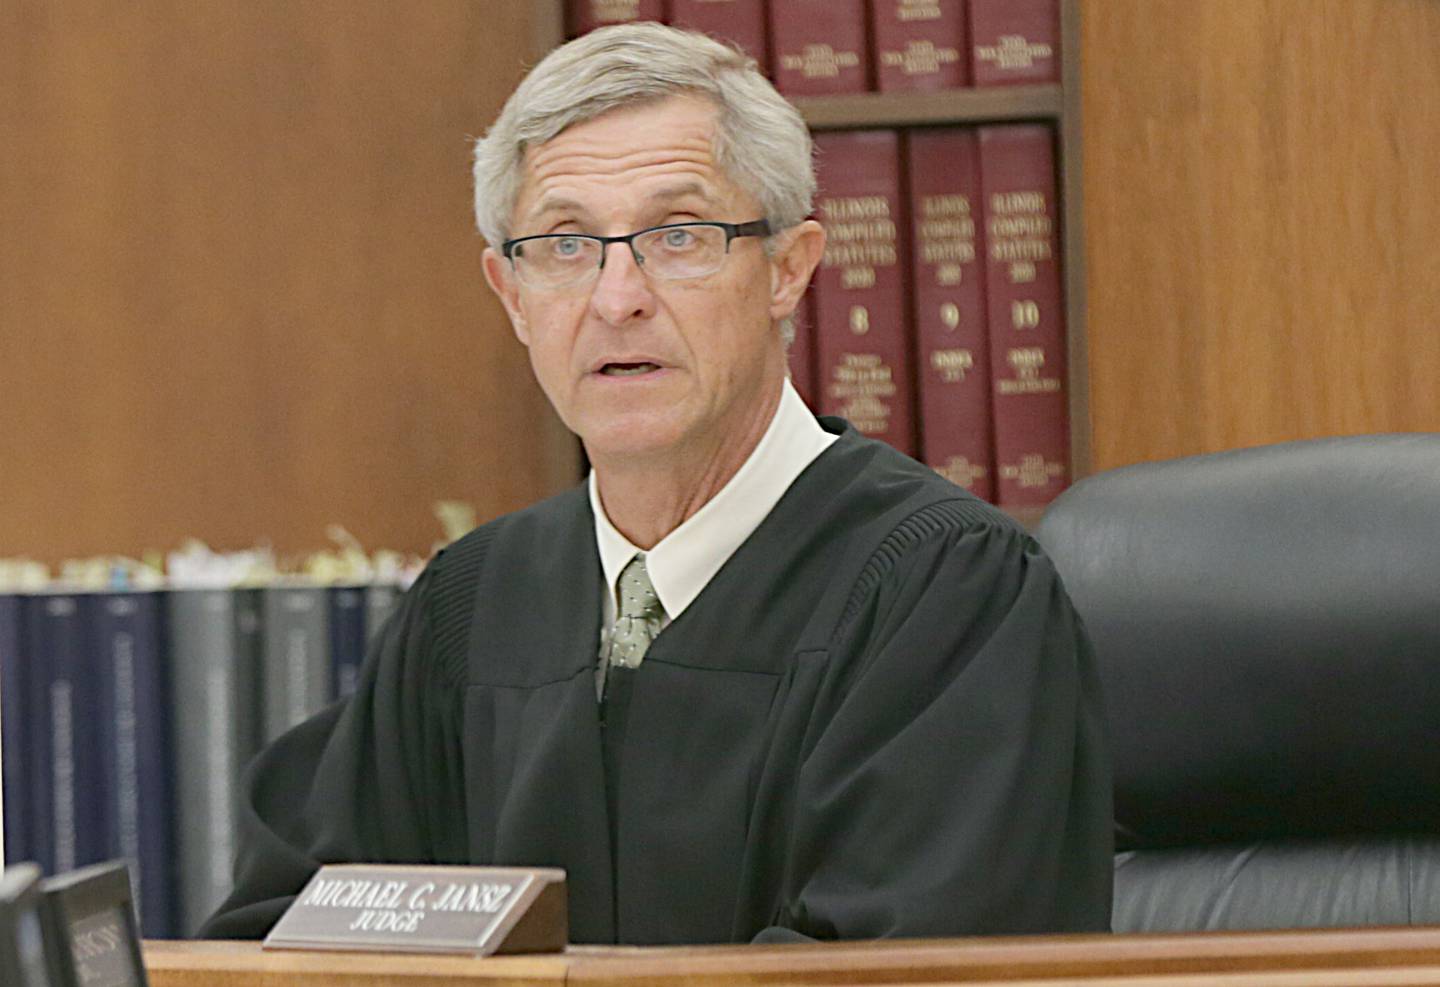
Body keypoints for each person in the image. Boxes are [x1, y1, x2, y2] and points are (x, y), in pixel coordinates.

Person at [202, 23, 1112, 944]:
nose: (616, 296)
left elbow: (894, 967)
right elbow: (290, 935)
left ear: (789, 268)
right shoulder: (468, 610)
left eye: (679, 236)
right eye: (563, 244)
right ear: (510, 294)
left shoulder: (946, 592)